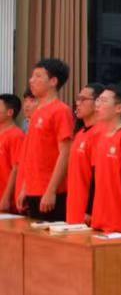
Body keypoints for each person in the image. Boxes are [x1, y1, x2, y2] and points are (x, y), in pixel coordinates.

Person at [18, 58, 74, 220]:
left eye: (38, 76)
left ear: (53, 81)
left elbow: (65, 153)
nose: (31, 80)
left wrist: (51, 191)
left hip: (51, 192)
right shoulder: (37, 112)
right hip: (33, 189)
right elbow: (33, 154)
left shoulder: (61, 111)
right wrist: (25, 187)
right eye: (32, 76)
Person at [89, 86, 121, 234]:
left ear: (118, 108)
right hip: (99, 218)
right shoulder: (100, 136)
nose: (97, 104)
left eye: (103, 100)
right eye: (98, 100)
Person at [65, 83, 104, 226]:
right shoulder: (80, 133)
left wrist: (90, 210)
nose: (78, 103)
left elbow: (97, 176)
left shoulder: (101, 132)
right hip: (73, 206)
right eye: (77, 99)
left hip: (89, 212)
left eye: (83, 99)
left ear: (97, 103)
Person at [0, 95, 22, 214]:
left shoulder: (16, 135)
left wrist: (6, 197)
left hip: (6, 200)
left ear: (10, 112)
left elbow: (16, 168)